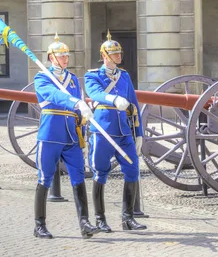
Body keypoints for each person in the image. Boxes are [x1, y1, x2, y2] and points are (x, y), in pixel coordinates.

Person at [33, 34, 100, 240]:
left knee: (78, 177)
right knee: (44, 177)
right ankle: (39, 225)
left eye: (66, 56)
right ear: (51, 58)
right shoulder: (42, 77)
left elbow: (79, 105)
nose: (65, 59)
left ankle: (84, 223)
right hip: (51, 133)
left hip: (72, 135)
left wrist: (85, 115)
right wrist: (75, 102)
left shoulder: (72, 79)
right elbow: (53, 96)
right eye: (61, 56)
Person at [84, 31, 146, 232]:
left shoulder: (124, 76)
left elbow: (134, 105)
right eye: (114, 54)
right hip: (103, 130)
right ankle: (100, 219)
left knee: (132, 170)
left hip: (124, 131)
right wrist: (113, 100)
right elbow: (94, 93)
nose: (119, 56)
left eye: (119, 53)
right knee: (100, 173)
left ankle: (127, 218)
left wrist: (139, 132)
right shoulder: (92, 75)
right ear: (105, 56)